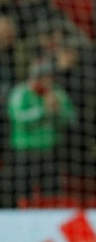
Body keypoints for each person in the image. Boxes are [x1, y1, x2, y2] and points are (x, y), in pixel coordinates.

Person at [6, 59, 76, 207]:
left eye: (50, 76)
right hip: (25, 153)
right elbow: (18, 118)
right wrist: (43, 110)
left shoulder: (57, 93)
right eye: (45, 76)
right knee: (22, 192)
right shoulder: (21, 93)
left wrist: (58, 112)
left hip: (50, 152)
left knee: (52, 193)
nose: (49, 80)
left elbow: (70, 118)